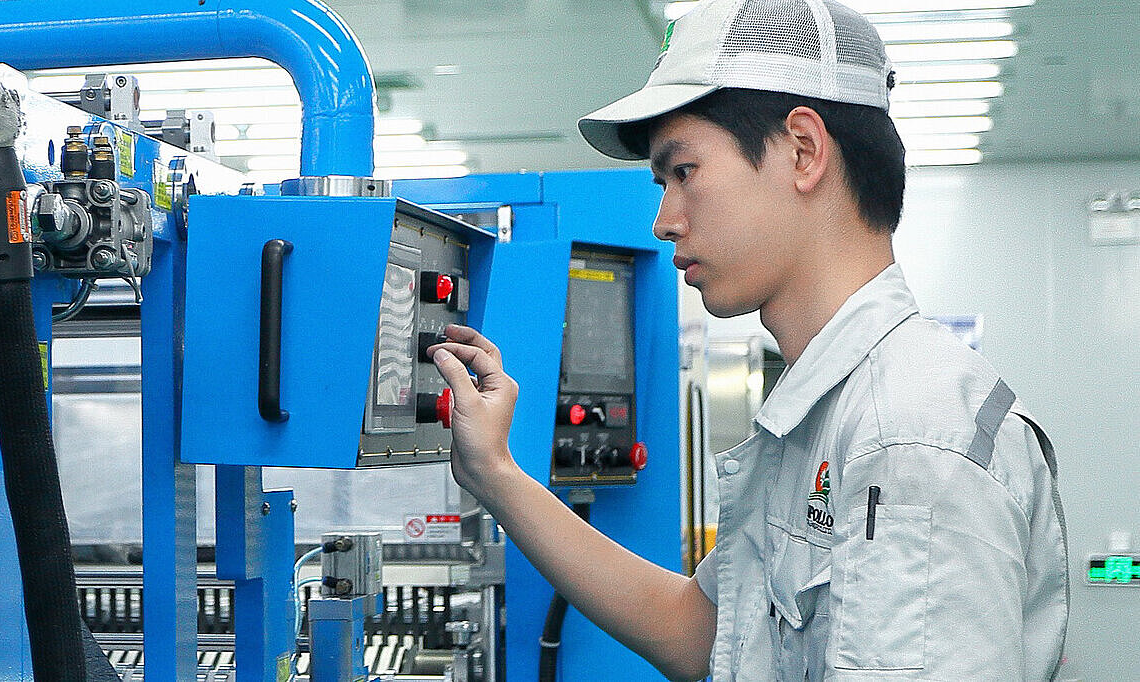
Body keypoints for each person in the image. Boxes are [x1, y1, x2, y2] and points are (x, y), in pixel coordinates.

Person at [428, 0, 1069, 679]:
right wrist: (492, 473)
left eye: (683, 173)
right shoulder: (821, 414)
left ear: (801, 151)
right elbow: (694, 632)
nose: (664, 221)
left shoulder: (905, 436)